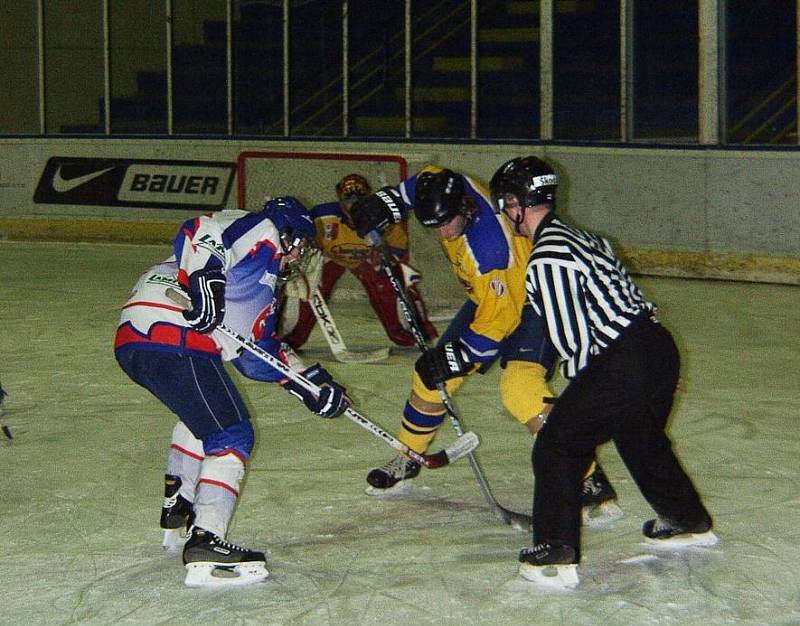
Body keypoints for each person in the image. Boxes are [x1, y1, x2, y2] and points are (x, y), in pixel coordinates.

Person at [489, 156, 717, 589]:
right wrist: (656, 371)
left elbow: (574, 340)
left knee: (557, 443)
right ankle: (689, 521)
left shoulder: (548, 255)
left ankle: (555, 553)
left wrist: (580, 398)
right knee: (640, 437)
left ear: (519, 203)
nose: (505, 214)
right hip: (655, 346)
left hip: (622, 360)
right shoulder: (584, 238)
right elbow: (628, 300)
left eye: (506, 204)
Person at [350, 165, 618, 517]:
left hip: (531, 303)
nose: (445, 234)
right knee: (429, 381)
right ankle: (409, 457)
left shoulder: (490, 251)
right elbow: (417, 185)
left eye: (449, 223)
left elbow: (497, 326)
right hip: (489, 301)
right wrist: (386, 202)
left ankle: (589, 479)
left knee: (520, 389)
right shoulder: (447, 186)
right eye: (435, 226)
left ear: (465, 209)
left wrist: (454, 357)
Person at [114, 197, 350, 588]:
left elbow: (257, 355)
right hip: (172, 330)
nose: (299, 257)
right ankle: (206, 542)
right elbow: (199, 229)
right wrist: (206, 277)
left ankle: (179, 501)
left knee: (205, 419)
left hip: (138, 335)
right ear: (291, 234)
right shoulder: (263, 231)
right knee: (233, 433)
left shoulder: (255, 282)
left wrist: (313, 386)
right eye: (302, 246)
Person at [280, 173, 436, 350]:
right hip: (330, 257)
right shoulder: (323, 217)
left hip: (367, 260)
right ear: (340, 201)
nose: (353, 206)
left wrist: (385, 252)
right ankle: (290, 336)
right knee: (305, 285)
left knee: (390, 280)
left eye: (360, 200)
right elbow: (300, 239)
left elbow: (399, 249)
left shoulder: (383, 216)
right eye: (348, 201)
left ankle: (412, 331)